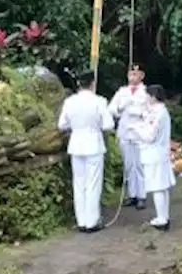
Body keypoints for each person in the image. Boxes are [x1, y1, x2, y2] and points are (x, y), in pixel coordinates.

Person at [57, 71, 113, 233]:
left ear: (79, 84)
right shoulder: (99, 101)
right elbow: (108, 125)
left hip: (76, 144)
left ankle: (81, 220)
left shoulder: (70, 102)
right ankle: (92, 221)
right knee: (93, 183)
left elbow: (62, 125)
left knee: (79, 183)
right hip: (93, 144)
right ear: (92, 84)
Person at [109, 65, 150, 209]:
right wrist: (120, 107)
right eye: (130, 74)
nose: (132, 77)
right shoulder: (122, 92)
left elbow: (150, 112)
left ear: (141, 76)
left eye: (135, 74)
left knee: (139, 164)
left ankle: (142, 195)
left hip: (139, 132)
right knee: (129, 165)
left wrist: (140, 113)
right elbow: (112, 108)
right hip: (125, 131)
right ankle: (132, 194)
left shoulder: (146, 93)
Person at [137, 84, 176, 230]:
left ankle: (162, 218)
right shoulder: (159, 111)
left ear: (153, 97)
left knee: (157, 187)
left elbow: (149, 136)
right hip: (159, 153)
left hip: (153, 153)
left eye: (147, 95)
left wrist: (137, 130)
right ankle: (163, 216)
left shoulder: (157, 113)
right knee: (162, 187)